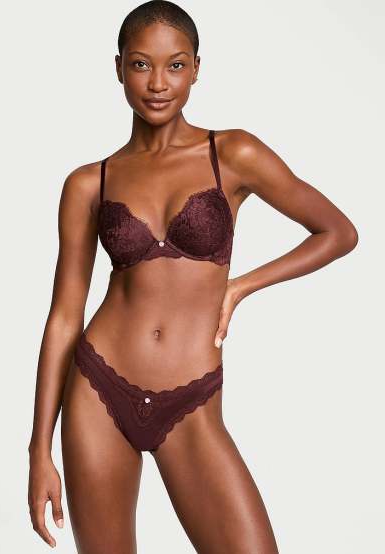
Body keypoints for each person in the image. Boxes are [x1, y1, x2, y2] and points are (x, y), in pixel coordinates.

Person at [27, 1, 358, 552]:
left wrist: (241, 286)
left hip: (192, 399)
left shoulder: (232, 152)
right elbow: (64, 317)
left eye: (175, 65)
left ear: (197, 69)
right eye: (141, 64)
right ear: (118, 68)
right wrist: (39, 450)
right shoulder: (89, 183)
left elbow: (338, 232)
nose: (158, 83)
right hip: (98, 391)